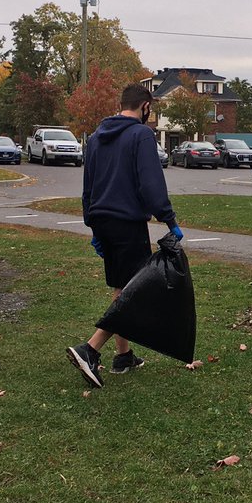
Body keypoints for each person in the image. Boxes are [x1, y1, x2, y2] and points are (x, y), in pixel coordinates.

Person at [67, 83, 182, 389]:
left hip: (103, 221)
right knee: (137, 291)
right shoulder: (141, 135)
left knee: (123, 286)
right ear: (145, 106)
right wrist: (169, 220)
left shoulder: (96, 137)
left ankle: (123, 355)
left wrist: (92, 224)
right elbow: (151, 182)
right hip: (127, 223)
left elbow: (88, 185)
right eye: (151, 109)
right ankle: (89, 349)